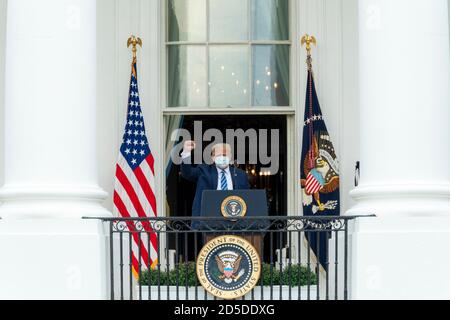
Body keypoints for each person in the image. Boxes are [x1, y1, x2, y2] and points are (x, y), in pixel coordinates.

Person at [180, 140, 250, 218]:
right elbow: (187, 173)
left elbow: (247, 198)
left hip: (234, 218)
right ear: (213, 158)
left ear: (230, 157)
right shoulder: (204, 171)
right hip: (208, 220)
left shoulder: (241, 174)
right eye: (218, 155)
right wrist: (186, 152)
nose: (222, 158)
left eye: (224, 155)